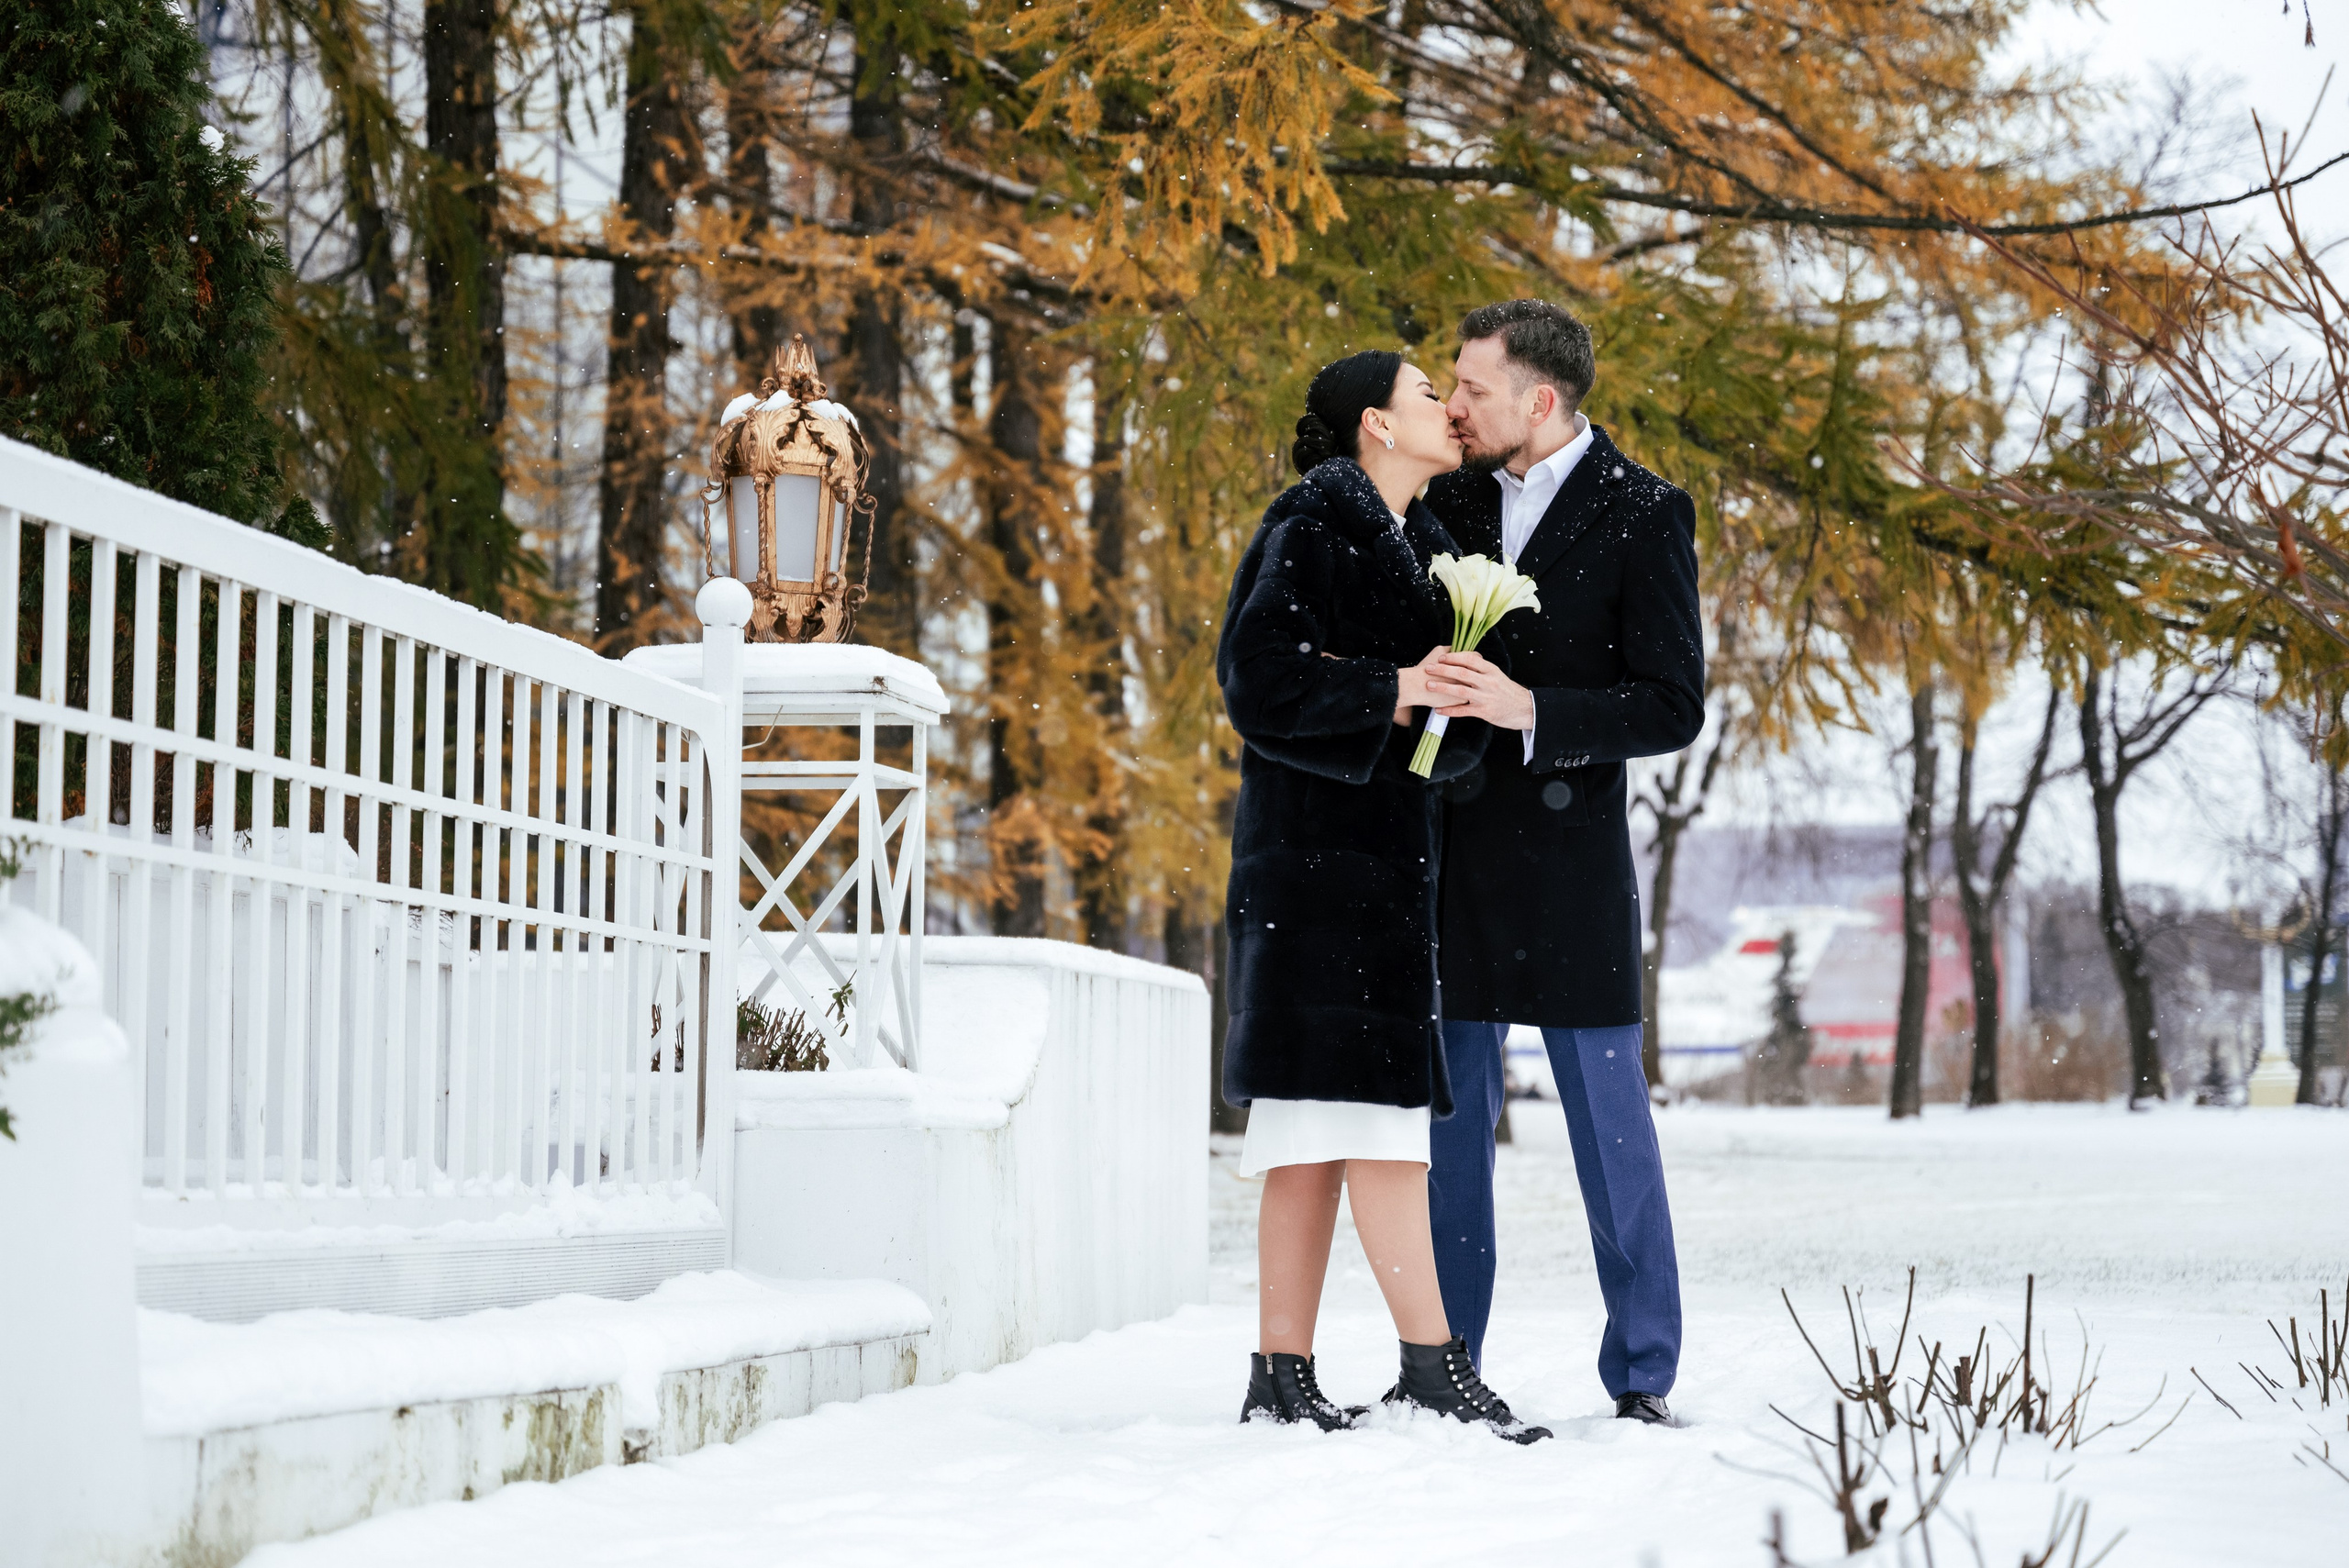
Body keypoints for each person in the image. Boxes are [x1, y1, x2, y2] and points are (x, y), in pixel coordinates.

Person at [1216, 348, 1550, 1443]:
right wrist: (1394, 688)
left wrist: (1444, 718)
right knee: (1379, 1133)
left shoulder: (1432, 547)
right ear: (1373, 422)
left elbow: (1434, 759)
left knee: (1316, 1135)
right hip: (1313, 882)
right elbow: (1256, 682)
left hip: (1379, 883)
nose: (1449, 412)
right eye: (1425, 395)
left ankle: (1280, 1373)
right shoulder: (1312, 523)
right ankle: (1432, 1364)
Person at [1419, 300, 1705, 1426]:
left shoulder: (1645, 512)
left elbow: (1672, 701)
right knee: (1450, 1135)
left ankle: (1642, 1371)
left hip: (1575, 864)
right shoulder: (1442, 501)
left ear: (1539, 400)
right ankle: (1446, 1361)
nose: (1452, 405)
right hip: (1454, 859)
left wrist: (1534, 709)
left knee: (1610, 1127)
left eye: (1471, 389)